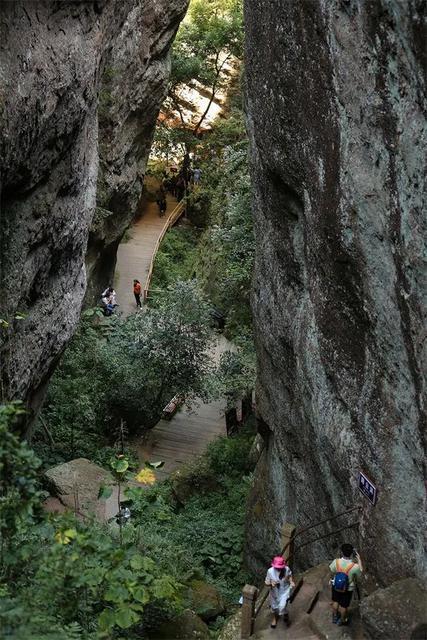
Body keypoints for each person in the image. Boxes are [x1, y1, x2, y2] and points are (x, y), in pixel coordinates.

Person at [329, 543, 363, 626]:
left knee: (335, 601)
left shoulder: (336, 562)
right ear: (352, 553)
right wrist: (359, 560)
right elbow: (360, 574)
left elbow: (332, 571)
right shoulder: (354, 567)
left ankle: (335, 617)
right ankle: (342, 620)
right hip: (348, 589)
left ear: (341, 552)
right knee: (344, 606)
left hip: (336, 585)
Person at [265, 555, 295, 629]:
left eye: (280, 568)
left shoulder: (286, 569)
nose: (278, 569)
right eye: (277, 568)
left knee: (282, 606)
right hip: (274, 592)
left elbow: (290, 575)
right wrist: (271, 583)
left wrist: (291, 582)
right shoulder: (270, 571)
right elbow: (266, 582)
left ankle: (285, 613)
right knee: (274, 607)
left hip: (284, 590)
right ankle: (276, 618)